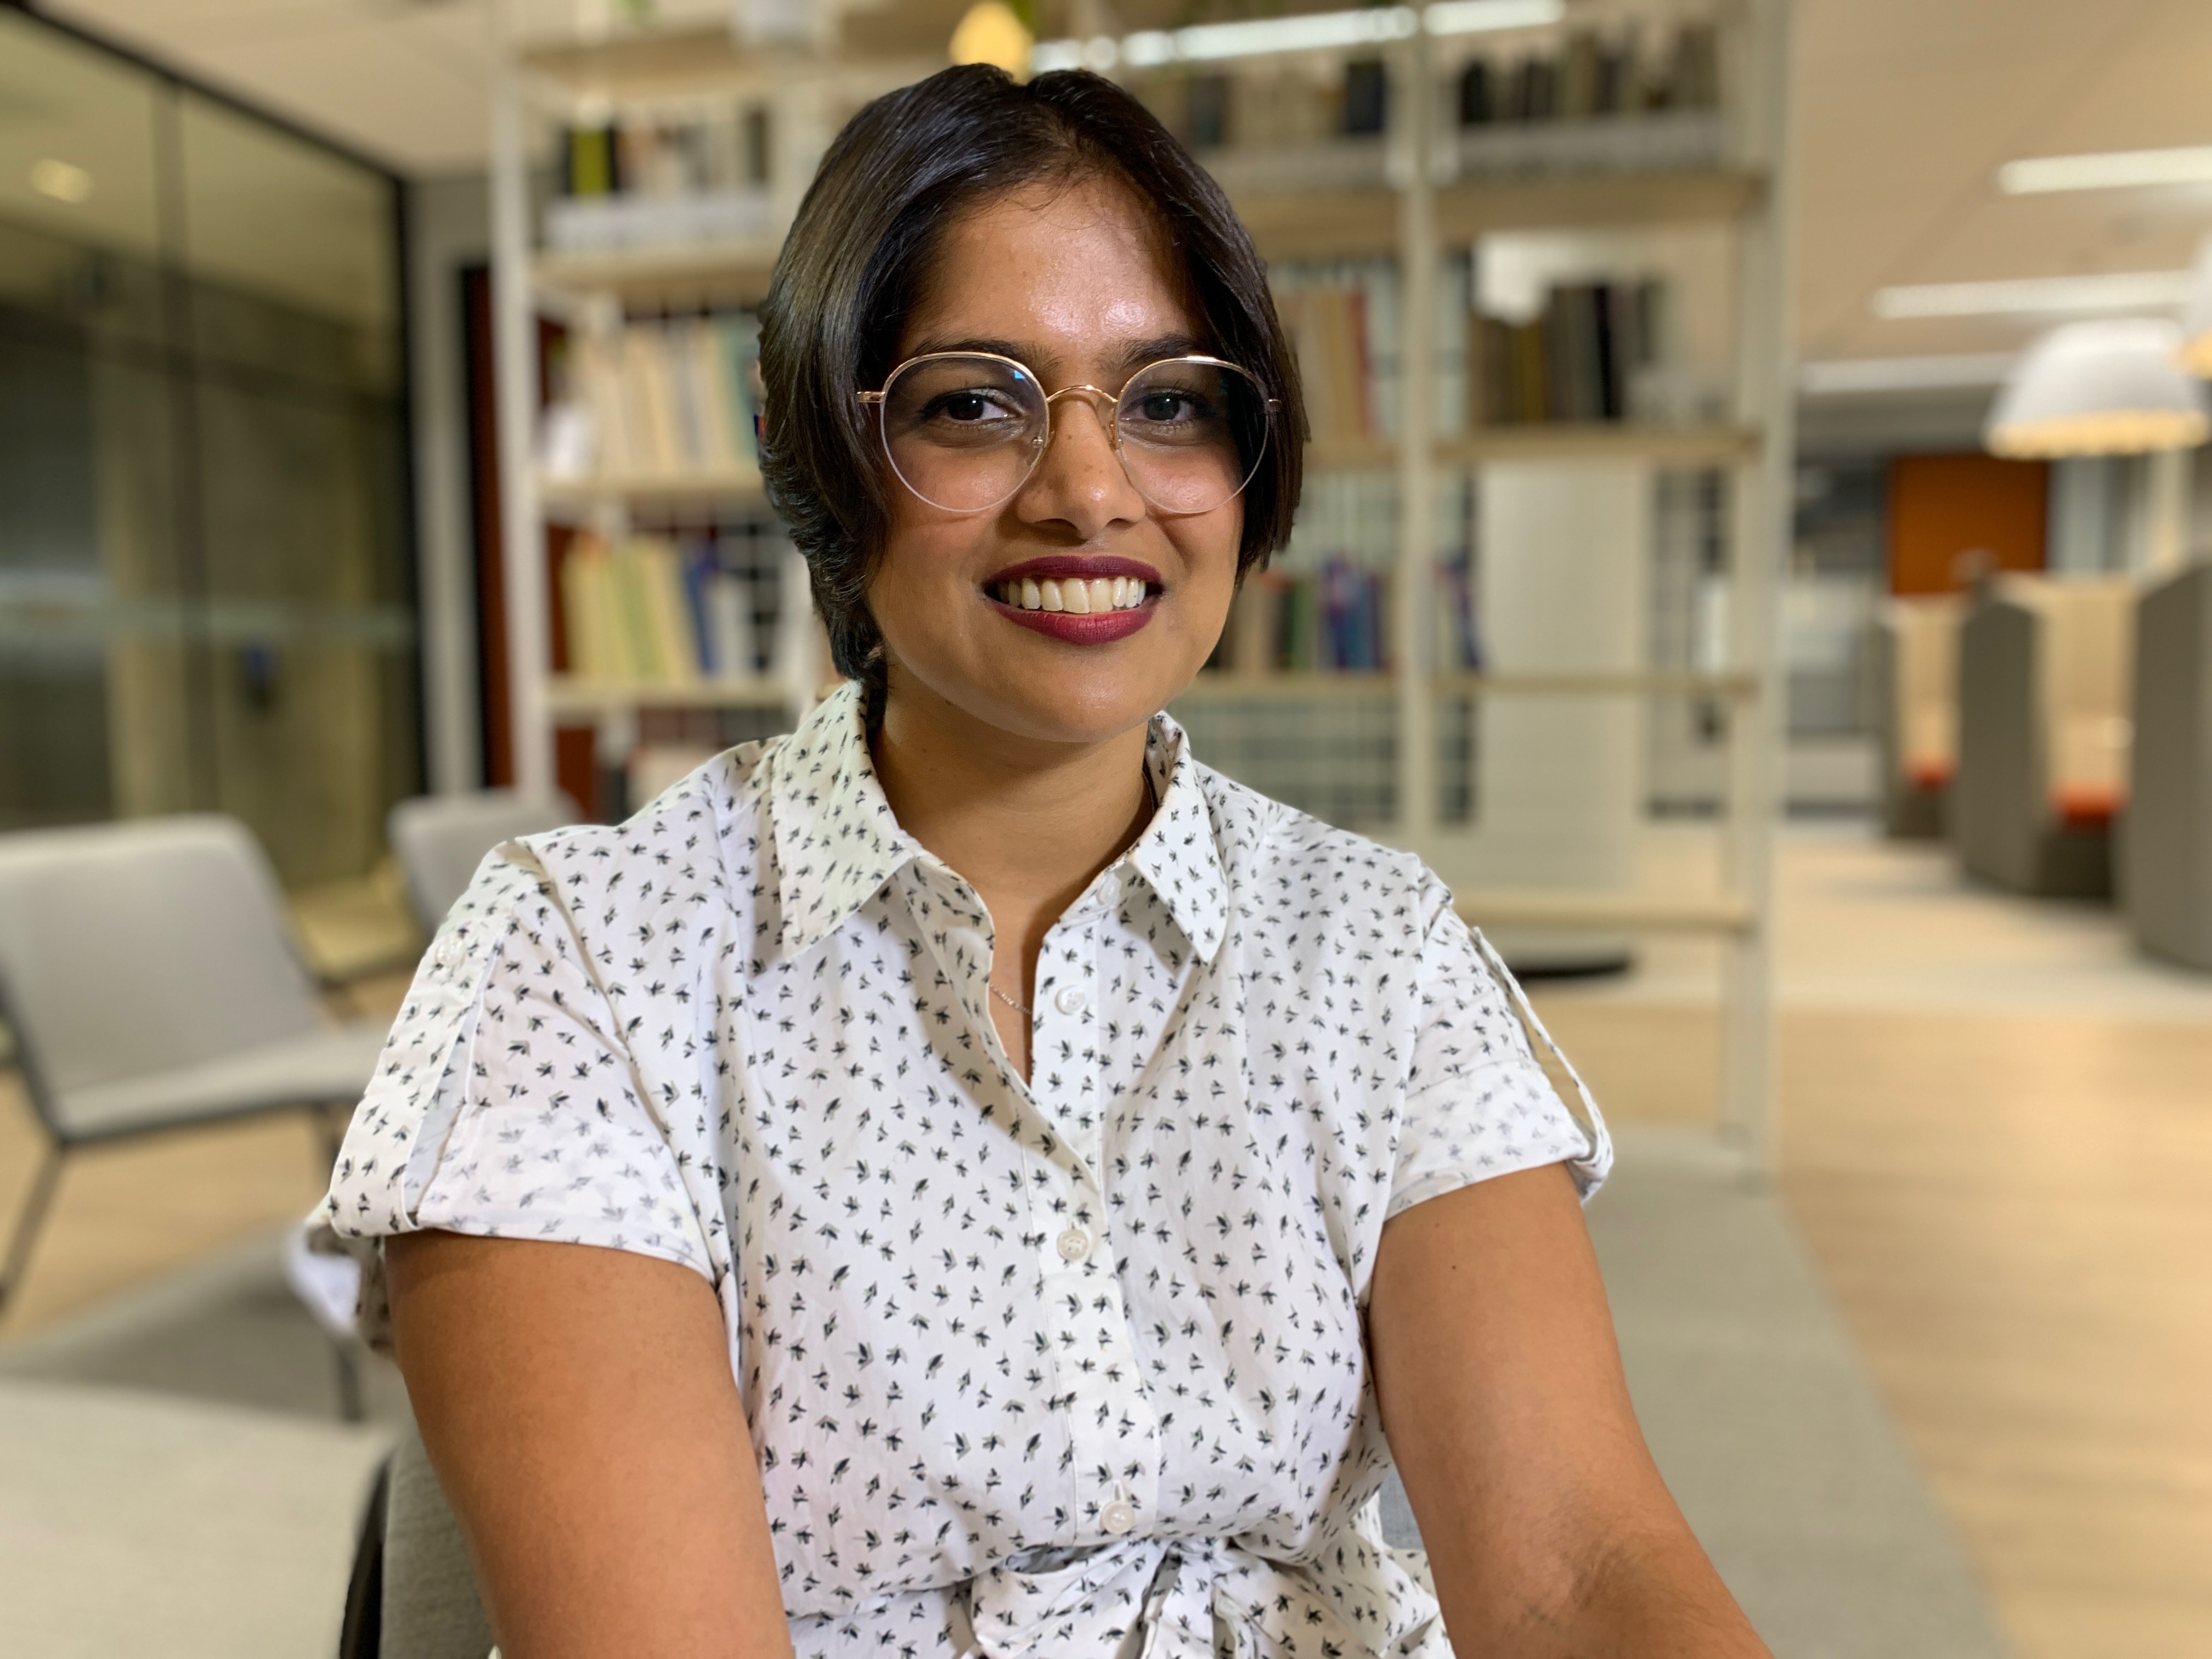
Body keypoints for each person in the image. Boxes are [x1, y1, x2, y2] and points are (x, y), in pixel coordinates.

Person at [324, 64, 1769, 1659]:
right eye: (972, 403)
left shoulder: (1377, 947)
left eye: (1168, 402)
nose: (1091, 492)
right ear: (819, 434)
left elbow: (1571, 1564)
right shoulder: (590, 959)